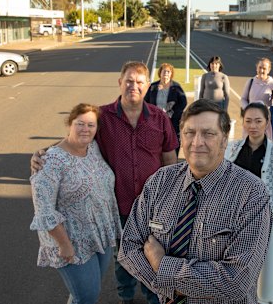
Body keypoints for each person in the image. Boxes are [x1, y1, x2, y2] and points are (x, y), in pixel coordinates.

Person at [31, 61, 179, 304]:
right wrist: (44, 153)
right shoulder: (103, 116)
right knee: (124, 258)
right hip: (118, 206)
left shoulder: (160, 119)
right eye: (129, 81)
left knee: (155, 256)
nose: (134, 86)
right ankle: (126, 298)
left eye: (140, 82)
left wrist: (172, 199)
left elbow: (170, 160)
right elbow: (77, 137)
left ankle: (155, 299)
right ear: (120, 83)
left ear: (147, 86)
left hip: (153, 207)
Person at [118, 99, 272, 303]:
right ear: (181, 136)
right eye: (190, 133)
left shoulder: (252, 193)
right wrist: (172, 290)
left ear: (225, 140)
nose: (197, 142)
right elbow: (128, 247)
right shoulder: (159, 181)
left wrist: (162, 265)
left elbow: (236, 281)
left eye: (209, 133)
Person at [30, 103, 123, 304]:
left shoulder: (93, 147)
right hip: (72, 240)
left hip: (99, 234)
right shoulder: (50, 161)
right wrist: (65, 245)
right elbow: (44, 210)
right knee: (87, 296)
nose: (86, 129)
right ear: (69, 124)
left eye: (91, 125)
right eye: (80, 124)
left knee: (89, 291)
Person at [224, 101, 273, 303]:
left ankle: (256, 297)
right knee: (234, 260)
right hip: (234, 214)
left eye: (258, 121)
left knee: (259, 261)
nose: (253, 126)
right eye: (248, 121)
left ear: (267, 122)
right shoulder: (233, 148)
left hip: (262, 217)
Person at [145, 63, 187, 156]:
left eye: (168, 71)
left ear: (171, 73)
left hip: (172, 120)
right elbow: (145, 102)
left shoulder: (176, 87)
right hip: (155, 120)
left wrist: (173, 114)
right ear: (160, 72)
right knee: (156, 142)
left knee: (173, 141)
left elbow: (183, 102)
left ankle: (173, 161)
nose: (166, 73)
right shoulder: (153, 87)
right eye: (164, 71)